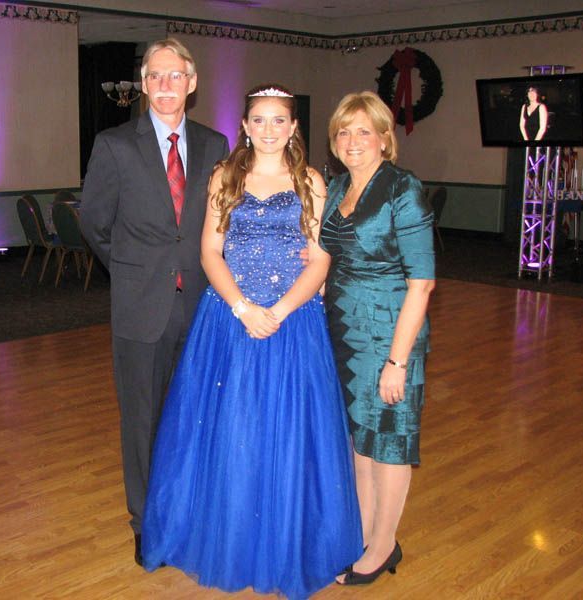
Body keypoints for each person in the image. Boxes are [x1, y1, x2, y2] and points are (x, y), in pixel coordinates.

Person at [141, 83, 362, 598]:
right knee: (230, 426)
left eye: (278, 120)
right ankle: (230, 537)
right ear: (244, 125)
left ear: (293, 127)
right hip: (230, 319)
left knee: (289, 431)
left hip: (293, 322)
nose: (268, 129)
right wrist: (244, 308)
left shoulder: (311, 180)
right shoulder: (225, 176)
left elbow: (320, 258)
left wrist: (279, 312)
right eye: (258, 120)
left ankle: (287, 543)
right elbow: (210, 252)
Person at [78, 38, 229, 566]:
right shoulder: (115, 145)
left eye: (175, 75)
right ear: (143, 84)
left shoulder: (215, 144)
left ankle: (190, 512)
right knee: (142, 422)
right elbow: (94, 223)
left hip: (203, 308)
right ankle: (147, 523)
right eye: (156, 76)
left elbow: (222, 221)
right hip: (141, 308)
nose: (165, 86)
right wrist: (132, 271)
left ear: (192, 82)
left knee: (196, 415)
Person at [320, 91, 435, 586]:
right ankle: (364, 535)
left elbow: (422, 282)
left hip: (389, 333)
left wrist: (398, 361)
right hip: (343, 332)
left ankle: (385, 544)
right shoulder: (337, 187)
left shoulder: (402, 188)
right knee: (359, 442)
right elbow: (327, 258)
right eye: (343, 132)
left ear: (385, 139)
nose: (352, 141)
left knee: (389, 441)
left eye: (364, 131)